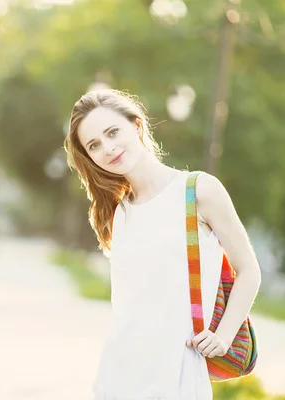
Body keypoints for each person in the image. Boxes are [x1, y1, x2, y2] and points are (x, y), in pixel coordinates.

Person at [63, 89, 262, 399]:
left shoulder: (198, 191)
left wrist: (223, 337)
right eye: (95, 145)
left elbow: (248, 270)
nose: (108, 147)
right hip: (117, 378)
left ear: (137, 126)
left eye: (113, 132)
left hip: (178, 378)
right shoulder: (119, 213)